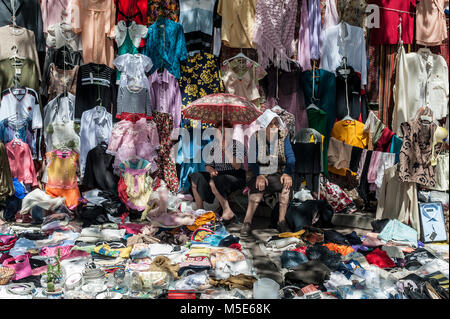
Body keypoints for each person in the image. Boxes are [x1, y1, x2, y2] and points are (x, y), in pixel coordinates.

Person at [241, 109, 296, 236]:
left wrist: (287, 173)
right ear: (264, 126)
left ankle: (281, 222)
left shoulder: (283, 136)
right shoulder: (256, 137)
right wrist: (259, 174)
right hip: (258, 172)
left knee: (286, 187)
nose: (275, 127)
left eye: (276, 124)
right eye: (271, 124)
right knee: (258, 187)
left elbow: (291, 157)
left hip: (277, 173)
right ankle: (247, 222)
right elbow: (253, 160)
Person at [188, 121, 246, 224]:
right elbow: (208, 165)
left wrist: (226, 150)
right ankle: (200, 212)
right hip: (218, 174)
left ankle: (227, 210)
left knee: (213, 182)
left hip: (234, 174)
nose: (222, 134)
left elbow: (237, 166)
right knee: (195, 177)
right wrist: (212, 170)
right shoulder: (213, 147)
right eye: (219, 131)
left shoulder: (237, 145)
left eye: (225, 131)